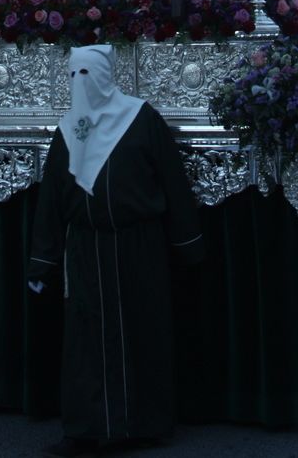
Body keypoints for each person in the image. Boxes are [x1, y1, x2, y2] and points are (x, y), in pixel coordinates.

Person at [28, 44, 203, 453]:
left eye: (87, 73)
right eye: (73, 74)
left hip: (137, 247)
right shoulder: (70, 129)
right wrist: (42, 260)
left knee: (142, 332)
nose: (80, 83)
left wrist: (188, 243)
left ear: (105, 76)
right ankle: (86, 427)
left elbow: (172, 182)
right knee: (85, 340)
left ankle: (143, 424)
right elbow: (52, 199)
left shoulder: (141, 119)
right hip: (86, 248)